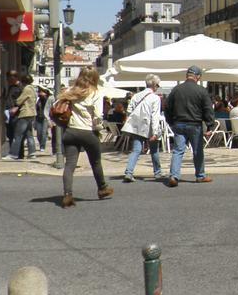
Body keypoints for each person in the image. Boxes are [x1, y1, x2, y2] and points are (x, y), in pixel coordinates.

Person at [56, 66, 112, 209]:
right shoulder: (95, 93)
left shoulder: (70, 91)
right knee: (96, 162)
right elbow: (98, 116)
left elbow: (58, 105)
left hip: (70, 131)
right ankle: (102, 188)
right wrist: (99, 128)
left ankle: (67, 194)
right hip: (88, 132)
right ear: (95, 78)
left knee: (70, 165)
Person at [163, 66, 216, 186]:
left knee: (178, 151)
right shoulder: (201, 90)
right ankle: (200, 176)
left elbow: (167, 107)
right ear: (197, 77)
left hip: (179, 124)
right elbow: (208, 109)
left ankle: (174, 176)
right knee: (197, 151)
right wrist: (209, 126)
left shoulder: (176, 89)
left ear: (187, 76)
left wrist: (170, 121)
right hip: (194, 124)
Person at [121, 74, 165, 183]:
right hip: (148, 126)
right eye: (158, 85)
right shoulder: (155, 98)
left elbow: (129, 110)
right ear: (154, 85)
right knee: (154, 150)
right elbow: (155, 116)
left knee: (136, 150)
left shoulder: (137, 95)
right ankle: (157, 172)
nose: (158, 87)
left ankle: (129, 172)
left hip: (137, 125)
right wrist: (155, 132)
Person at [5, 73, 37, 160]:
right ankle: (32, 153)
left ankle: (13, 154)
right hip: (32, 113)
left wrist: (15, 104)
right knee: (29, 134)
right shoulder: (33, 89)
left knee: (18, 135)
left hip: (25, 113)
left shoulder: (27, 89)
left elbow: (19, 101)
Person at [2, 69, 21, 150]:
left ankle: (17, 153)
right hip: (8, 113)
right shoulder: (10, 87)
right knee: (10, 133)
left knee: (16, 134)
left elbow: (23, 100)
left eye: (9, 78)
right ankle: (12, 151)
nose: (7, 80)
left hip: (16, 114)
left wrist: (17, 107)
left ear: (14, 78)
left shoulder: (21, 87)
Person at [35, 86, 51, 153]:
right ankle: (41, 143)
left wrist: (44, 96)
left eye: (41, 92)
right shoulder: (38, 100)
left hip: (45, 118)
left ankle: (42, 146)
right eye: (39, 92)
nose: (40, 93)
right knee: (39, 133)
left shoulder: (47, 99)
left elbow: (47, 106)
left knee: (44, 133)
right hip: (38, 117)